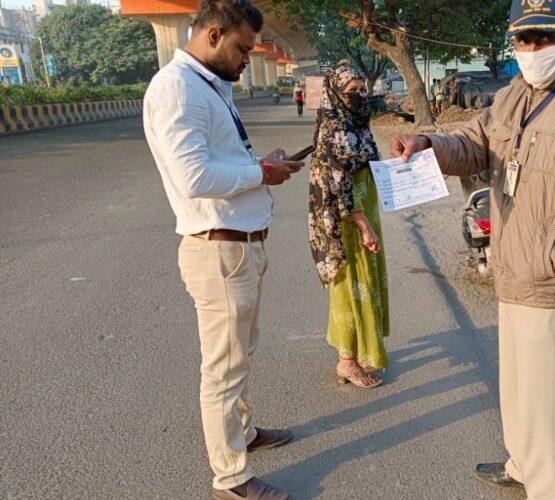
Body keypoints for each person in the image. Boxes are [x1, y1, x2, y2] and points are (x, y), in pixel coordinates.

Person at [390, 0, 555, 498]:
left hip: (551, 279)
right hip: (511, 270)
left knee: (544, 398)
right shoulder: (510, 97)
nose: (533, 49)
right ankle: (521, 465)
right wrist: (430, 145)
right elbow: (476, 143)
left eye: (543, 38)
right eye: (524, 40)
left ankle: (546, 487)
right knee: (517, 384)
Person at [142, 1, 304, 499]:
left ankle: (244, 433)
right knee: (223, 367)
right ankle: (231, 478)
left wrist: (261, 162)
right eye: (241, 48)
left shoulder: (209, 85)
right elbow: (194, 178)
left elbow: (219, 159)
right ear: (212, 34)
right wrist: (262, 173)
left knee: (240, 354)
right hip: (220, 251)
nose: (244, 59)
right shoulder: (177, 89)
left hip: (240, 247)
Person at [308, 62, 389, 388]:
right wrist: (363, 225)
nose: (358, 96)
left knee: (366, 283)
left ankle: (357, 352)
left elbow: (367, 164)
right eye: (350, 91)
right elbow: (338, 185)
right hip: (346, 220)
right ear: (335, 93)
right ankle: (347, 360)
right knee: (351, 285)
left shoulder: (357, 123)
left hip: (364, 211)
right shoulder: (335, 128)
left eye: (361, 90)